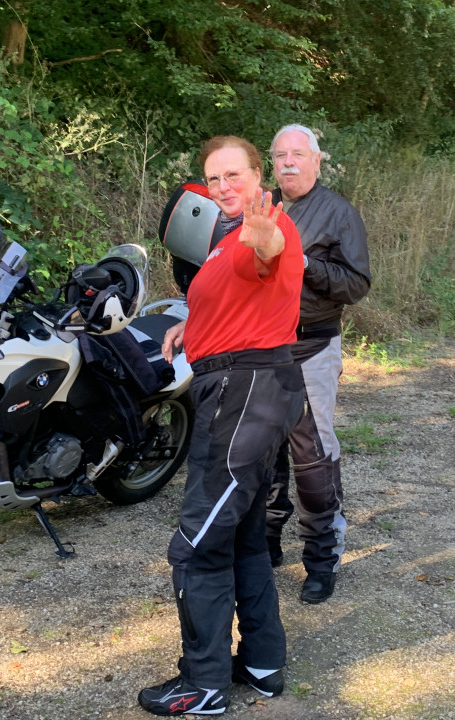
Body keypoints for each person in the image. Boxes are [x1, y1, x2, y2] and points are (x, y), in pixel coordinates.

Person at [137, 136, 306, 717]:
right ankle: (262, 663)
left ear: (258, 176)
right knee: (241, 536)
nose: (223, 186)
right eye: (213, 179)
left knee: (196, 543)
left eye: (234, 174)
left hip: (245, 391)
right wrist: (192, 325)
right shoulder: (223, 239)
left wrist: (264, 237)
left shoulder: (264, 228)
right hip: (245, 387)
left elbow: (268, 255)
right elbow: (232, 297)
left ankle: (202, 684)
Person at [263, 124, 371, 605]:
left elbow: (357, 284)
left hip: (312, 347)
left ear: (316, 160)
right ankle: (265, 542)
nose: (288, 162)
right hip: (261, 349)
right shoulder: (262, 207)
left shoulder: (337, 212)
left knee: (312, 454)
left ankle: (322, 559)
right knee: (264, 452)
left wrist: (305, 264)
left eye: (297, 154)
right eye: (280, 155)